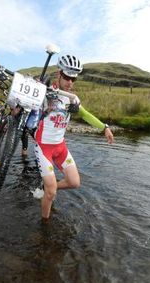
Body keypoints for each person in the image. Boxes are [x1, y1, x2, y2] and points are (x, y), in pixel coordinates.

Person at [32, 54, 114, 222]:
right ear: (59, 74)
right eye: (68, 77)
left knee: (74, 182)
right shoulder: (45, 93)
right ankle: (44, 226)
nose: (70, 82)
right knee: (51, 192)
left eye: (74, 79)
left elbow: (86, 115)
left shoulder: (73, 99)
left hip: (60, 147)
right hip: (43, 146)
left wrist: (104, 127)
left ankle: (47, 186)